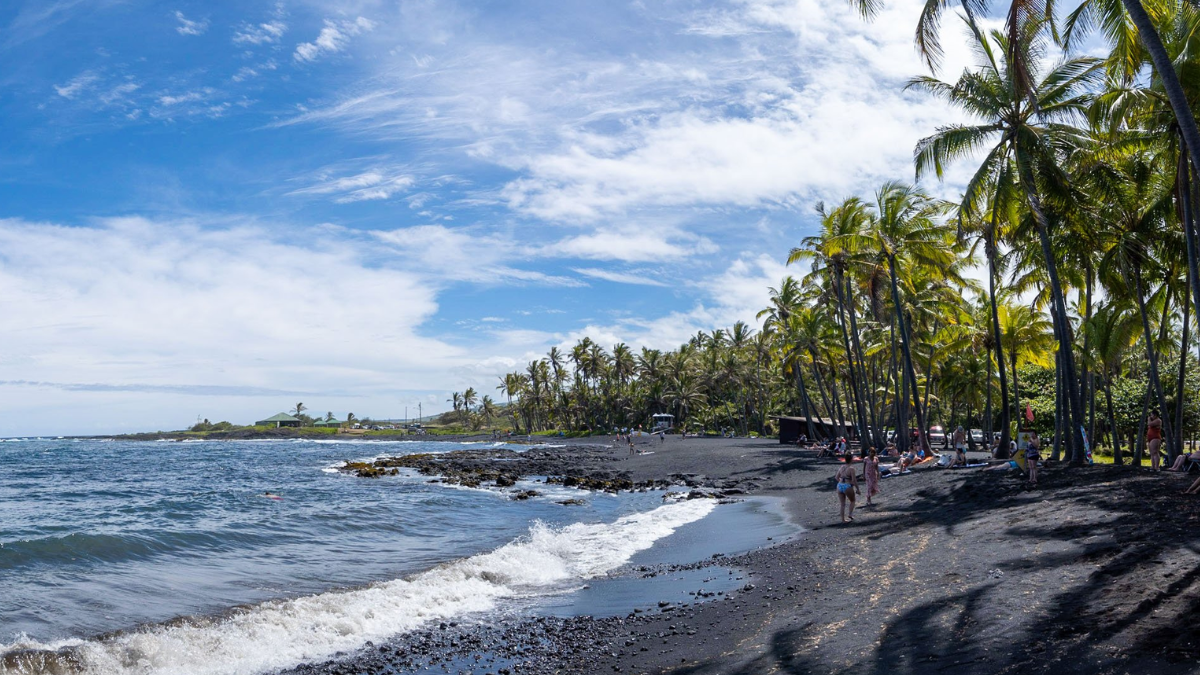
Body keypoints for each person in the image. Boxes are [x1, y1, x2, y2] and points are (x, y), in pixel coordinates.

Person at [835, 458, 860, 523]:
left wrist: (841, 482)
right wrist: (857, 489)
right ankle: (850, 514)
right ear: (851, 460)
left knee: (842, 504)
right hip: (847, 486)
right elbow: (854, 480)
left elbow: (836, 477)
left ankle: (843, 520)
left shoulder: (842, 467)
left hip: (839, 485)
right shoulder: (851, 469)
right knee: (853, 500)